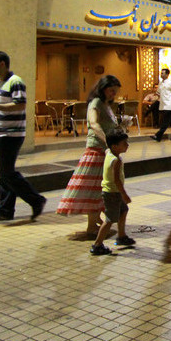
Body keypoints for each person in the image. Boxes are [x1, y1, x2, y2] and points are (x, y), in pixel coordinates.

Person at [0, 51, 47, 222]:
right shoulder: (1, 83)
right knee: (3, 173)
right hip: (2, 133)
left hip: (11, 134)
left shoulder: (15, 82)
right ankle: (6, 210)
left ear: (1, 64)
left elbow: (20, 105)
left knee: (6, 172)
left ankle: (36, 200)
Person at [56, 75, 122, 236]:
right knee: (96, 188)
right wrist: (107, 141)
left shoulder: (106, 105)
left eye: (116, 91)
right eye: (112, 90)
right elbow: (93, 123)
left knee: (102, 187)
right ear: (104, 89)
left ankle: (96, 219)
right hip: (97, 151)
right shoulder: (96, 103)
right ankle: (92, 225)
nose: (114, 94)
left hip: (105, 151)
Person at [90, 129, 134, 255]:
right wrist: (124, 195)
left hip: (111, 192)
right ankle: (97, 244)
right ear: (115, 146)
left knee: (124, 210)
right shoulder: (116, 161)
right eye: (124, 143)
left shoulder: (108, 152)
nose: (127, 145)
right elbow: (117, 180)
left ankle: (121, 236)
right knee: (109, 219)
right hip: (113, 193)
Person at [152, 68, 171, 141]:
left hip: (169, 104)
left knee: (165, 122)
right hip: (163, 104)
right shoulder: (160, 83)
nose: (161, 74)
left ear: (167, 74)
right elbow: (158, 94)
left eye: (163, 73)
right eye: (161, 73)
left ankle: (158, 135)